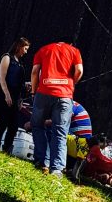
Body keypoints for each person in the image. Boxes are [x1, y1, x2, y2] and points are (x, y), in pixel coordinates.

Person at [30, 39, 84, 176]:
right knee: (60, 132)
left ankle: (42, 161)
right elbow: (79, 70)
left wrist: (33, 90)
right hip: (65, 96)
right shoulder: (74, 51)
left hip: (43, 93)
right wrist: (72, 83)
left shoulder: (44, 49)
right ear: (69, 43)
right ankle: (57, 169)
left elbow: (35, 71)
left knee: (36, 125)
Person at [0, 37, 30, 155]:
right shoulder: (7, 57)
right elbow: (2, 78)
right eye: (25, 48)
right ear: (19, 46)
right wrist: (7, 94)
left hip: (16, 97)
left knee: (13, 126)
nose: (26, 52)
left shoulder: (20, 63)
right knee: (2, 123)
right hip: (4, 96)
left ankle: (6, 149)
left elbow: (17, 81)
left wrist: (25, 86)